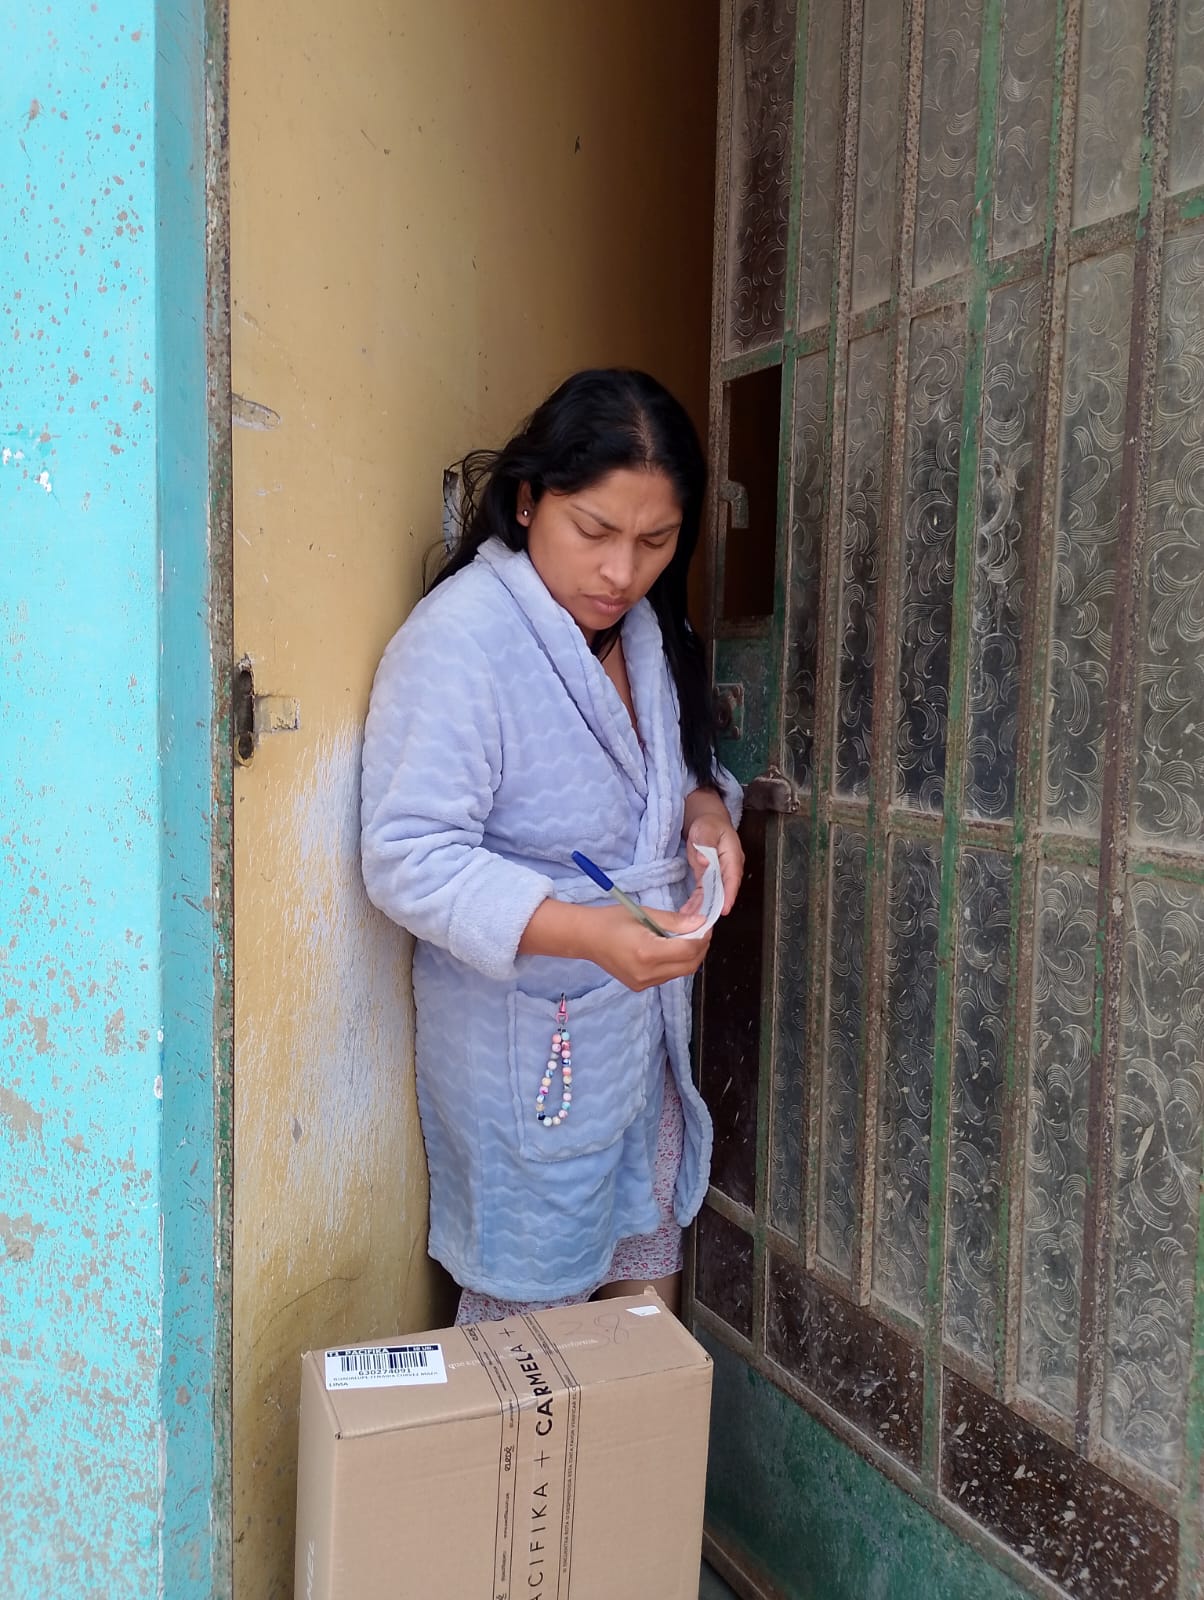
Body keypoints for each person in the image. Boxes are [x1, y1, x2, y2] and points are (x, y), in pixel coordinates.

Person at [360, 368, 743, 1323]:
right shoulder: (462, 642)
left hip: (636, 1039)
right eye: (595, 531)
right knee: (530, 1333)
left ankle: (641, 1425)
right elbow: (408, 855)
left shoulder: (648, 630)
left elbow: (674, 773)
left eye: (655, 541)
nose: (622, 572)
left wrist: (706, 813)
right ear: (529, 500)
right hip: (532, 1042)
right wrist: (588, 935)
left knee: (642, 1291)